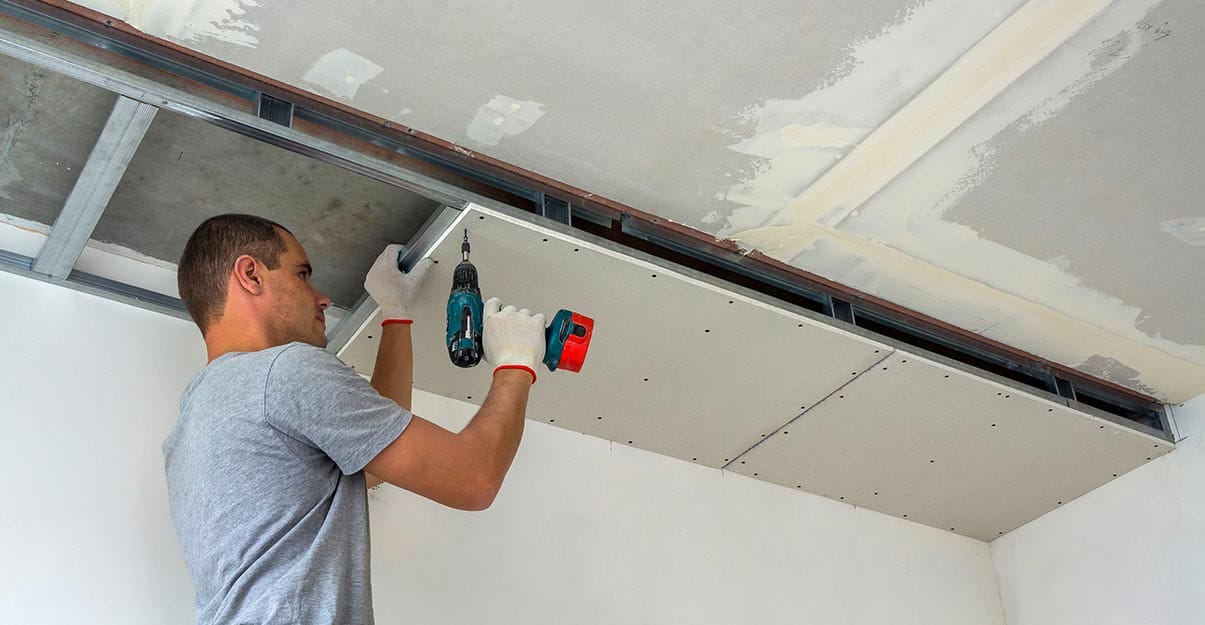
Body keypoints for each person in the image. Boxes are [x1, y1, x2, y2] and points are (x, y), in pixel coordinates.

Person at [164, 213, 546, 624]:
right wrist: (516, 364)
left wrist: (396, 314)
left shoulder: (193, 424)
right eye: (302, 274)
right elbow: (473, 479)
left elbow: (371, 458)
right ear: (251, 275)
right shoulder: (285, 371)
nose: (321, 297)